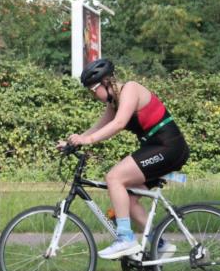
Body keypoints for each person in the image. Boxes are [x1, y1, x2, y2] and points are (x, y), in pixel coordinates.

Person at [58, 58, 189, 260]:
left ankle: (125, 239)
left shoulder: (131, 89)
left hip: (168, 147)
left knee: (114, 178)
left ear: (106, 82)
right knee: (127, 200)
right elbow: (98, 127)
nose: (93, 95)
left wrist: (88, 140)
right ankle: (160, 245)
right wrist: (73, 143)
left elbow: (119, 124)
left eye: (93, 89)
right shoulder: (113, 102)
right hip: (155, 148)